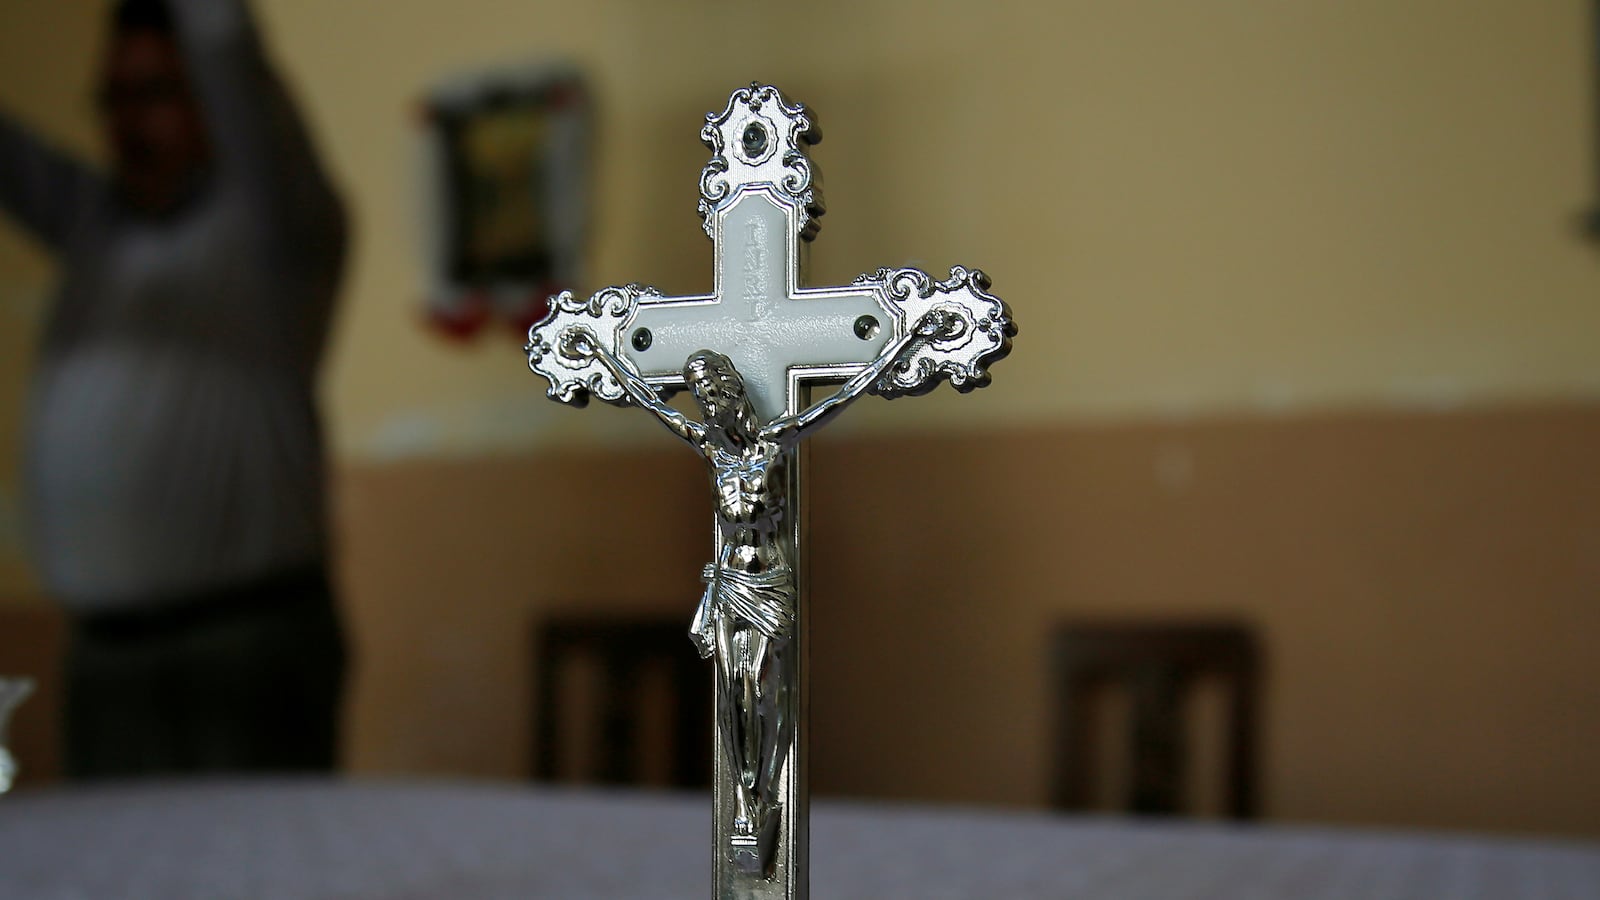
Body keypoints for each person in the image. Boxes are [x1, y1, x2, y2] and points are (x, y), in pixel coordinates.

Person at [0, 0, 347, 776]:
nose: (129, 123)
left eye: (153, 93)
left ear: (209, 100)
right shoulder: (97, 230)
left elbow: (228, 46)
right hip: (102, 655)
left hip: (243, 650)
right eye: (113, 99)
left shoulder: (271, 227)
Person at [561, 307, 955, 868]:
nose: (708, 402)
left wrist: (903, 343)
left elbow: (842, 399)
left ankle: (765, 788)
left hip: (769, 584)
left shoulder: (774, 443)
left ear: (734, 389)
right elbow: (650, 401)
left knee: (766, 691)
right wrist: (601, 353)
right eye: (699, 394)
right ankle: (749, 802)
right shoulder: (708, 449)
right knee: (731, 698)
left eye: (715, 389)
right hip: (729, 586)